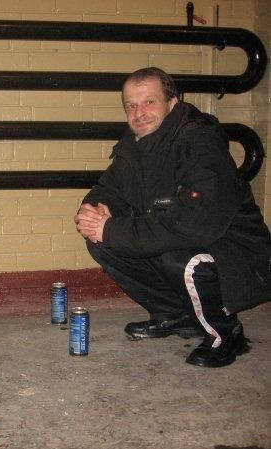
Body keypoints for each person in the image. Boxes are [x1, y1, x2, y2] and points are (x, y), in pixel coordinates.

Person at [74, 67, 270, 368]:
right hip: (188, 238)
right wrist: (95, 210)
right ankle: (175, 315)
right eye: (131, 105)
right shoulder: (135, 145)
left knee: (174, 255)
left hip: (234, 251)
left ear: (172, 103)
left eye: (149, 102)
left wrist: (111, 229)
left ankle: (227, 333)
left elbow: (192, 225)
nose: (139, 113)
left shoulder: (199, 141)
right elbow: (109, 188)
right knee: (102, 242)